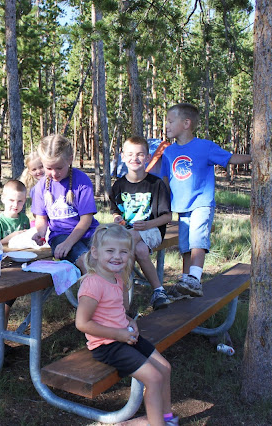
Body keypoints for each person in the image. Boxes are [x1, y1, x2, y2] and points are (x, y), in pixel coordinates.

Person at [75, 224, 178, 426]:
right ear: (95, 252)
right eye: (110, 251)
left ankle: (167, 418)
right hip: (107, 345)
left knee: (165, 368)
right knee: (154, 378)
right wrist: (118, 334)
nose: (117, 256)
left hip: (124, 336)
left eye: (123, 251)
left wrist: (129, 321)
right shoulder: (93, 283)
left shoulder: (117, 277)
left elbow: (118, 310)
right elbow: (82, 323)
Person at [161, 103, 251, 296]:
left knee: (197, 240)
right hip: (181, 208)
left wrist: (254, 157)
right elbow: (166, 180)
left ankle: (195, 279)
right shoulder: (168, 152)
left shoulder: (204, 147)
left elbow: (230, 158)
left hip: (201, 203)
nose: (166, 125)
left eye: (170, 121)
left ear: (186, 123)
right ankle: (186, 281)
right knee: (185, 246)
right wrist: (164, 205)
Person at [110, 136, 172, 310]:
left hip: (152, 229)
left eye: (140, 154)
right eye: (130, 154)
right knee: (139, 250)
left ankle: (117, 296)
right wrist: (117, 219)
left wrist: (147, 225)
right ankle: (158, 291)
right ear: (123, 157)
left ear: (148, 157)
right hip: (128, 233)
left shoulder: (156, 184)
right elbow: (115, 211)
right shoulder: (118, 185)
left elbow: (167, 217)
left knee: (126, 245)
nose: (134, 158)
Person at [31, 134, 99, 271]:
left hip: (88, 233)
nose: (54, 173)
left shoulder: (82, 181)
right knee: (86, 261)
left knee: (111, 256)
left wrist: (69, 243)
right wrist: (41, 232)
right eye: (49, 168)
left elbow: (86, 219)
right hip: (60, 236)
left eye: (59, 168)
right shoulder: (41, 186)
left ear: (70, 159)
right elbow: (41, 218)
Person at [0, 179, 30, 350]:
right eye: (11, 200)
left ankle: (0, 342)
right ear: (3, 199)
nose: (15, 205)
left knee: (6, 306)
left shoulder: (24, 219)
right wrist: (11, 237)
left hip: (17, 269)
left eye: (20, 201)